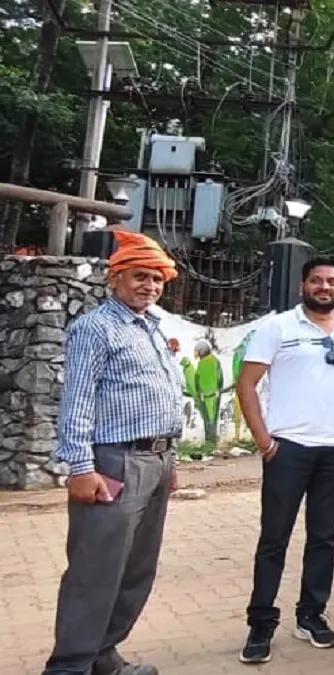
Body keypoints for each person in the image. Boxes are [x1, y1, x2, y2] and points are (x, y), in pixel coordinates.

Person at [45, 230, 184, 675]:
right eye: (139, 276)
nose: (149, 286)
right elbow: (78, 400)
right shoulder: (95, 328)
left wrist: (172, 459)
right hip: (114, 462)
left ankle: (103, 656)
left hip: (156, 461)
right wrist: (81, 467)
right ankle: (69, 667)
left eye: (157, 279)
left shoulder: (154, 326)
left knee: (136, 570)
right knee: (95, 571)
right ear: (115, 278)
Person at [236, 255, 334, 664]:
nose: (324, 287)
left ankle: (311, 615)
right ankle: (261, 623)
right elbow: (247, 384)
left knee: (323, 538)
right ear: (302, 286)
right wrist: (264, 441)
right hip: (288, 449)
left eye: (332, 281)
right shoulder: (277, 327)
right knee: (274, 539)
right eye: (316, 281)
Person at [193, 339, 223, 443]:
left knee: (207, 419)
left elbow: (196, 380)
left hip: (205, 397)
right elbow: (220, 379)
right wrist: (219, 390)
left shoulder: (201, 364)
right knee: (212, 419)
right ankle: (212, 441)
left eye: (197, 351)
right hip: (214, 395)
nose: (196, 354)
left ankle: (209, 441)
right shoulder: (215, 361)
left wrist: (199, 392)